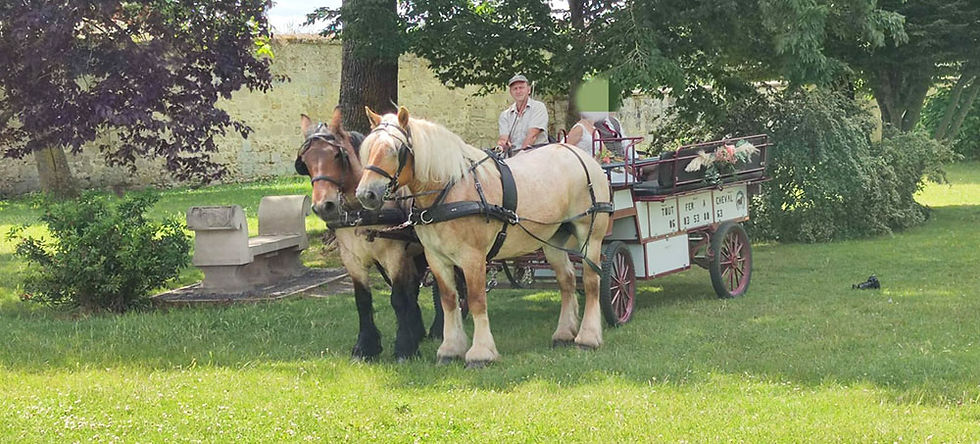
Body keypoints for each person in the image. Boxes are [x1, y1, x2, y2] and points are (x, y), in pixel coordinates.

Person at [497, 74, 549, 154]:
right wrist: (502, 144)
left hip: (538, 155)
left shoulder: (538, 107)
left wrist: (520, 156)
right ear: (511, 92)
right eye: (515, 89)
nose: (518, 91)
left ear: (529, 90)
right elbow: (504, 139)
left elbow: (532, 136)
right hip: (513, 157)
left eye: (521, 88)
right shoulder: (505, 115)